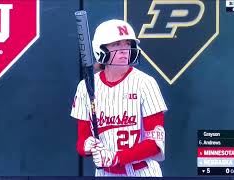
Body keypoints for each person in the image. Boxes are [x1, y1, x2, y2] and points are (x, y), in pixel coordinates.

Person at [71, 19, 168, 177]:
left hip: (142, 172)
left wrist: (116, 158)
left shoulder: (145, 83)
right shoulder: (85, 87)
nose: (124, 49)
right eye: (116, 44)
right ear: (100, 49)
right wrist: (87, 146)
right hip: (105, 174)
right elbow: (82, 141)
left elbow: (155, 145)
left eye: (128, 43)